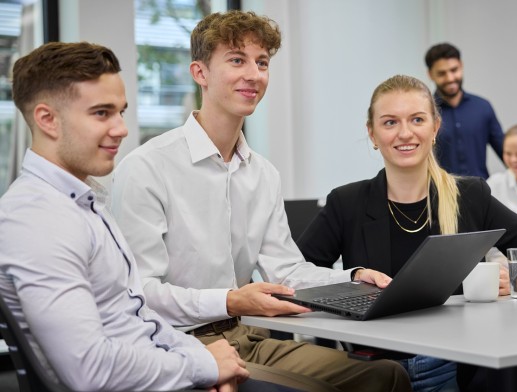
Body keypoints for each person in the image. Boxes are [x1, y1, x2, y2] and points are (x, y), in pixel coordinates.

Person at [110, 10, 411, 392]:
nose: (254, 74)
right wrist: (232, 301)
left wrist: (351, 278)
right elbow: (140, 293)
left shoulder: (263, 173)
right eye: (237, 60)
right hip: (175, 346)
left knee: (385, 376)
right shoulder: (147, 167)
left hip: (244, 338)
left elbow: (285, 270)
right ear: (200, 72)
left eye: (262, 62)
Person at [296, 74, 517, 391]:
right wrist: (351, 276)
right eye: (390, 122)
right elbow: (295, 276)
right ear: (372, 133)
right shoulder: (346, 203)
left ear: (435, 128)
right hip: (375, 370)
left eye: (417, 119)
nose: (405, 133)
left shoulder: (470, 195)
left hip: (458, 364)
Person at [0, 41, 250, 392]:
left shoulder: (83, 200)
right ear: (47, 120)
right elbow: (90, 370)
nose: (121, 128)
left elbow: (139, 317)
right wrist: (199, 367)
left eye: (121, 111)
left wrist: (201, 361)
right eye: (102, 113)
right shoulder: (37, 219)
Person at [425, 42, 504, 179]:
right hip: (440, 195)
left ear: (461, 66)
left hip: (481, 194)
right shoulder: (425, 113)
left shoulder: (483, 107)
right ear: (430, 74)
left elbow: (508, 154)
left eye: (454, 70)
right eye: (442, 73)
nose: (450, 78)